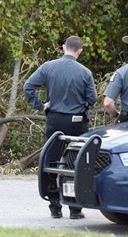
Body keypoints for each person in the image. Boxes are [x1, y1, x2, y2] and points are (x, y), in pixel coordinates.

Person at [24, 36, 97, 220]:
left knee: (52, 160)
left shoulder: (48, 67)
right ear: (79, 51)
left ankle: (54, 205)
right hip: (77, 121)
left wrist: (41, 106)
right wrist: (81, 103)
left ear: (63, 48)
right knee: (75, 162)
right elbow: (92, 99)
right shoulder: (85, 72)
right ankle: (74, 207)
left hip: (55, 119)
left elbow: (28, 87)